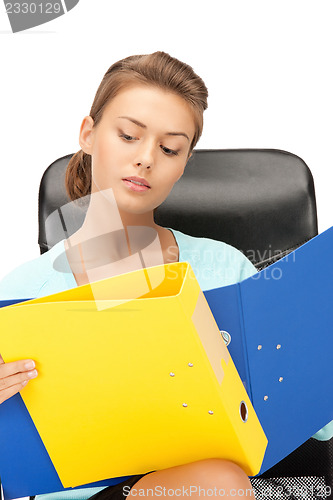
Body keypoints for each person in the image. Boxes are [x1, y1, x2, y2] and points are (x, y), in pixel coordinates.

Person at [0, 51, 331, 500]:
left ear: (183, 162)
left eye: (170, 148)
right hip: (95, 493)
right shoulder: (23, 293)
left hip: (230, 482)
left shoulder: (224, 268)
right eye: (129, 135)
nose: (145, 159)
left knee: (238, 482)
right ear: (89, 135)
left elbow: (314, 425)